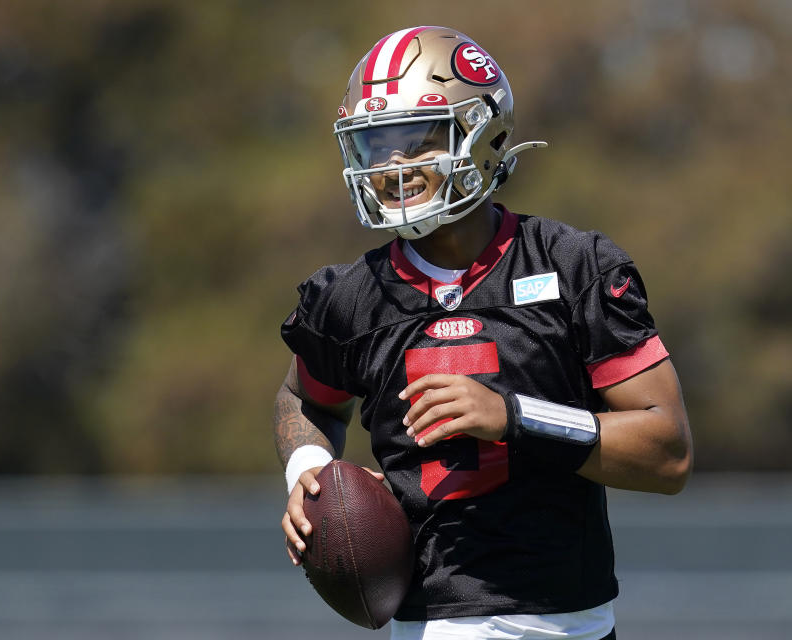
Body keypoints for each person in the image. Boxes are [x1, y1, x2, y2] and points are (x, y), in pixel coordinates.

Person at [274, 26, 693, 640]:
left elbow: (668, 451)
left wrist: (513, 417)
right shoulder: (349, 298)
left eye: (414, 139)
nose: (392, 167)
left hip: (563, 622)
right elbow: (304, 398)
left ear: (482, 135)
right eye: (375, 145)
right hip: (428, 623)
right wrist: (308, 472)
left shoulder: (572, 267)